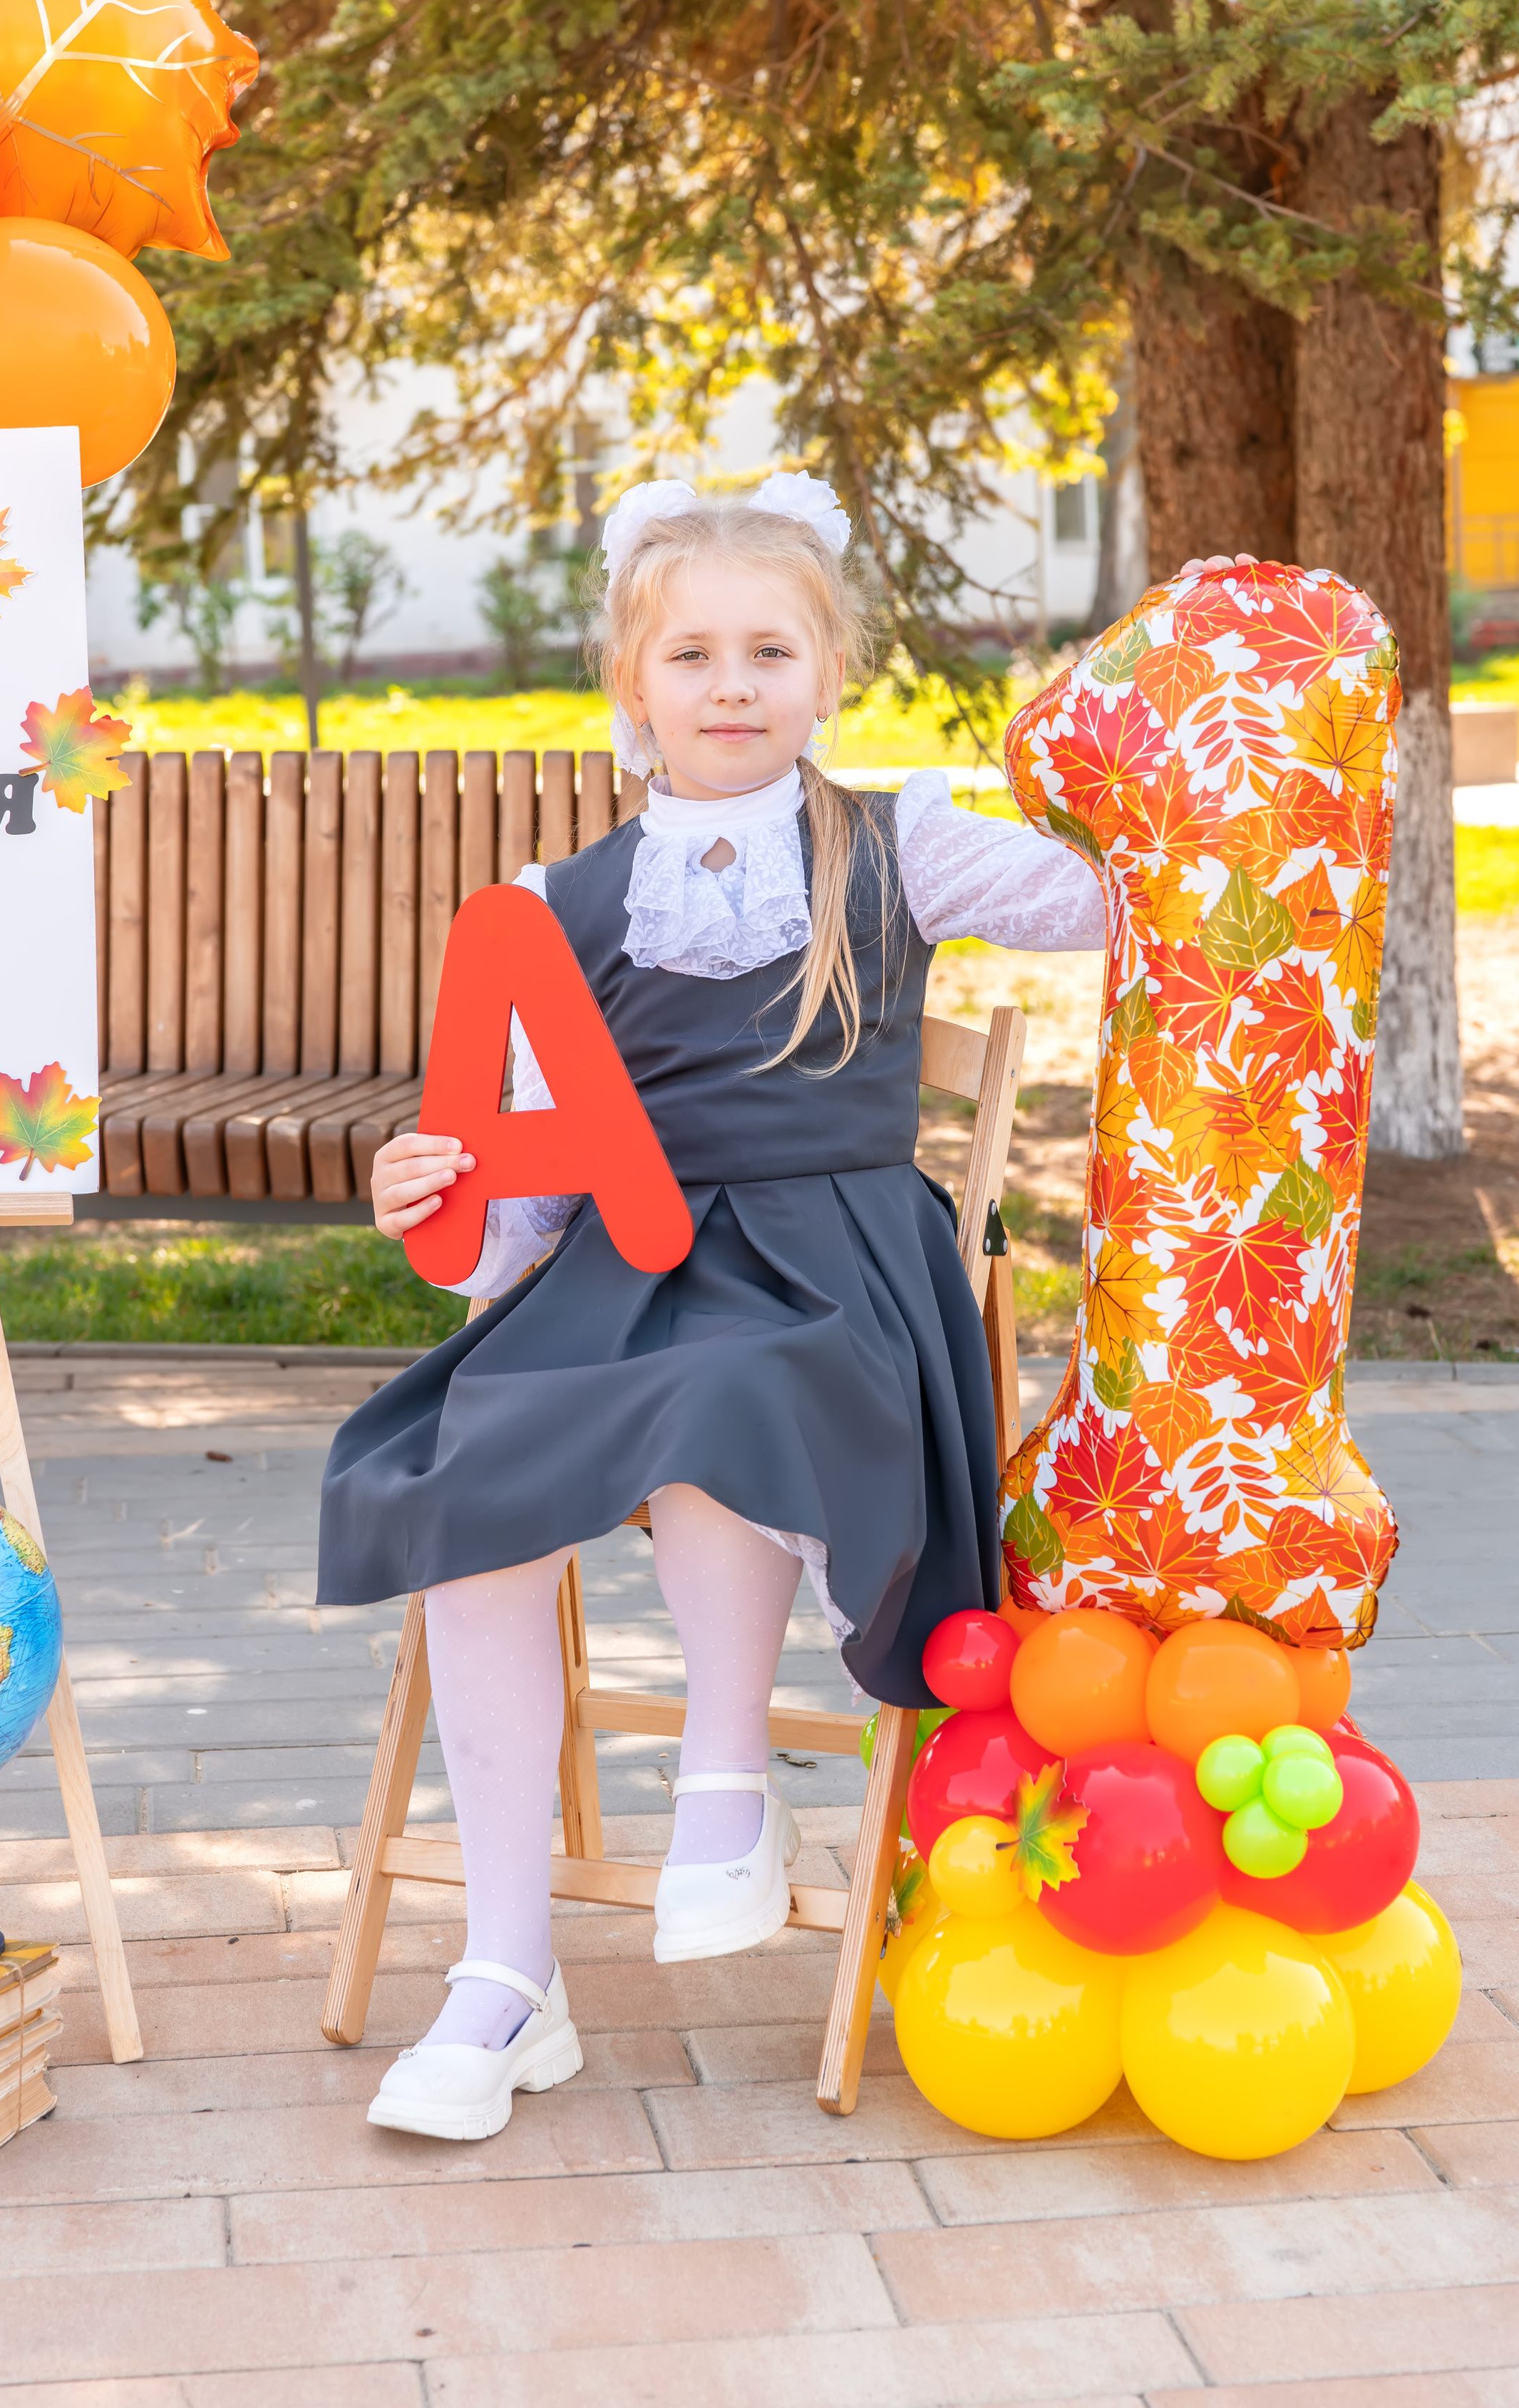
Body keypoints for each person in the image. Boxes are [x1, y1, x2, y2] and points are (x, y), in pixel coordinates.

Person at [317, 472, 1106, 2140]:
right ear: (632, 686)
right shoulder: (557, 905)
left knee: (721, 1400)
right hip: (624, 1268)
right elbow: (514, 1216)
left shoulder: (899, 847)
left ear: (829, 674)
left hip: (832, 1281)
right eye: (691, 655)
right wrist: (431, 1210)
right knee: (473, 1487)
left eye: (767, 651)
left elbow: (1115, 905)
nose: (730, 685)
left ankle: (728, 1790)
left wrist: (1145, 766)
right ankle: (505, 1974)